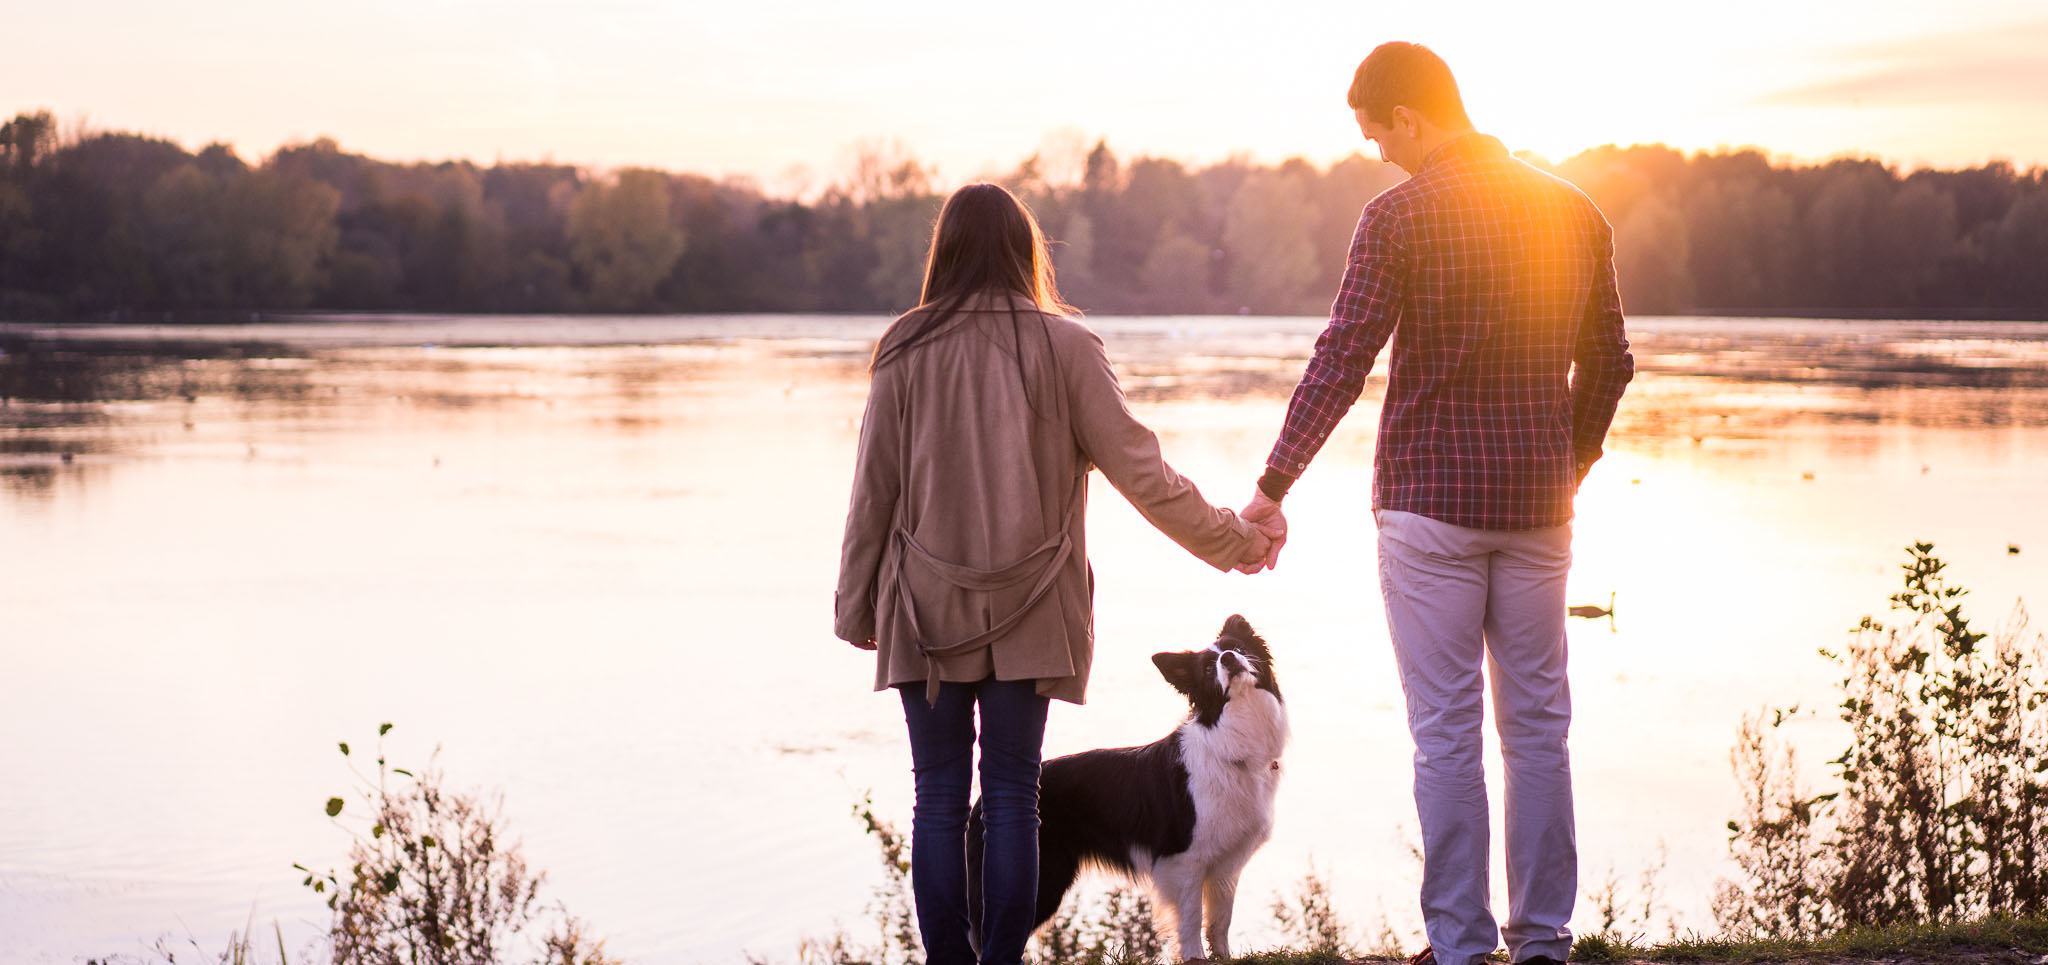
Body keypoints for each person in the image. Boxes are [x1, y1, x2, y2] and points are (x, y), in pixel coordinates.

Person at [1239, 42, 1636, 965]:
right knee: (1539, 727)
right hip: (1539, 509)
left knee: (1446, 731)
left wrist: (1270, 490)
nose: (1375, 149)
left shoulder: (1398, 216)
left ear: (1410, 116)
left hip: (1428, 508)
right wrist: (1564, 464)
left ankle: (1459, 944)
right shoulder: (1576, 211)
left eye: (1375, 129)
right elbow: (1612, 362)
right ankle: (1543, 942)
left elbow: (1343, 356)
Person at [834, 182, 1271, 965]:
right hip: (1034, 613)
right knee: (1011, 797)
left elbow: (873, 489)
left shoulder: (903, 345)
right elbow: (1147, 476)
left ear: (945, 253)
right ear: (1026, 251)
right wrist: (1234, 541)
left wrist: (854, 602)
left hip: (924, 613)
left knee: (936, 798)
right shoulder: (1068, 346)